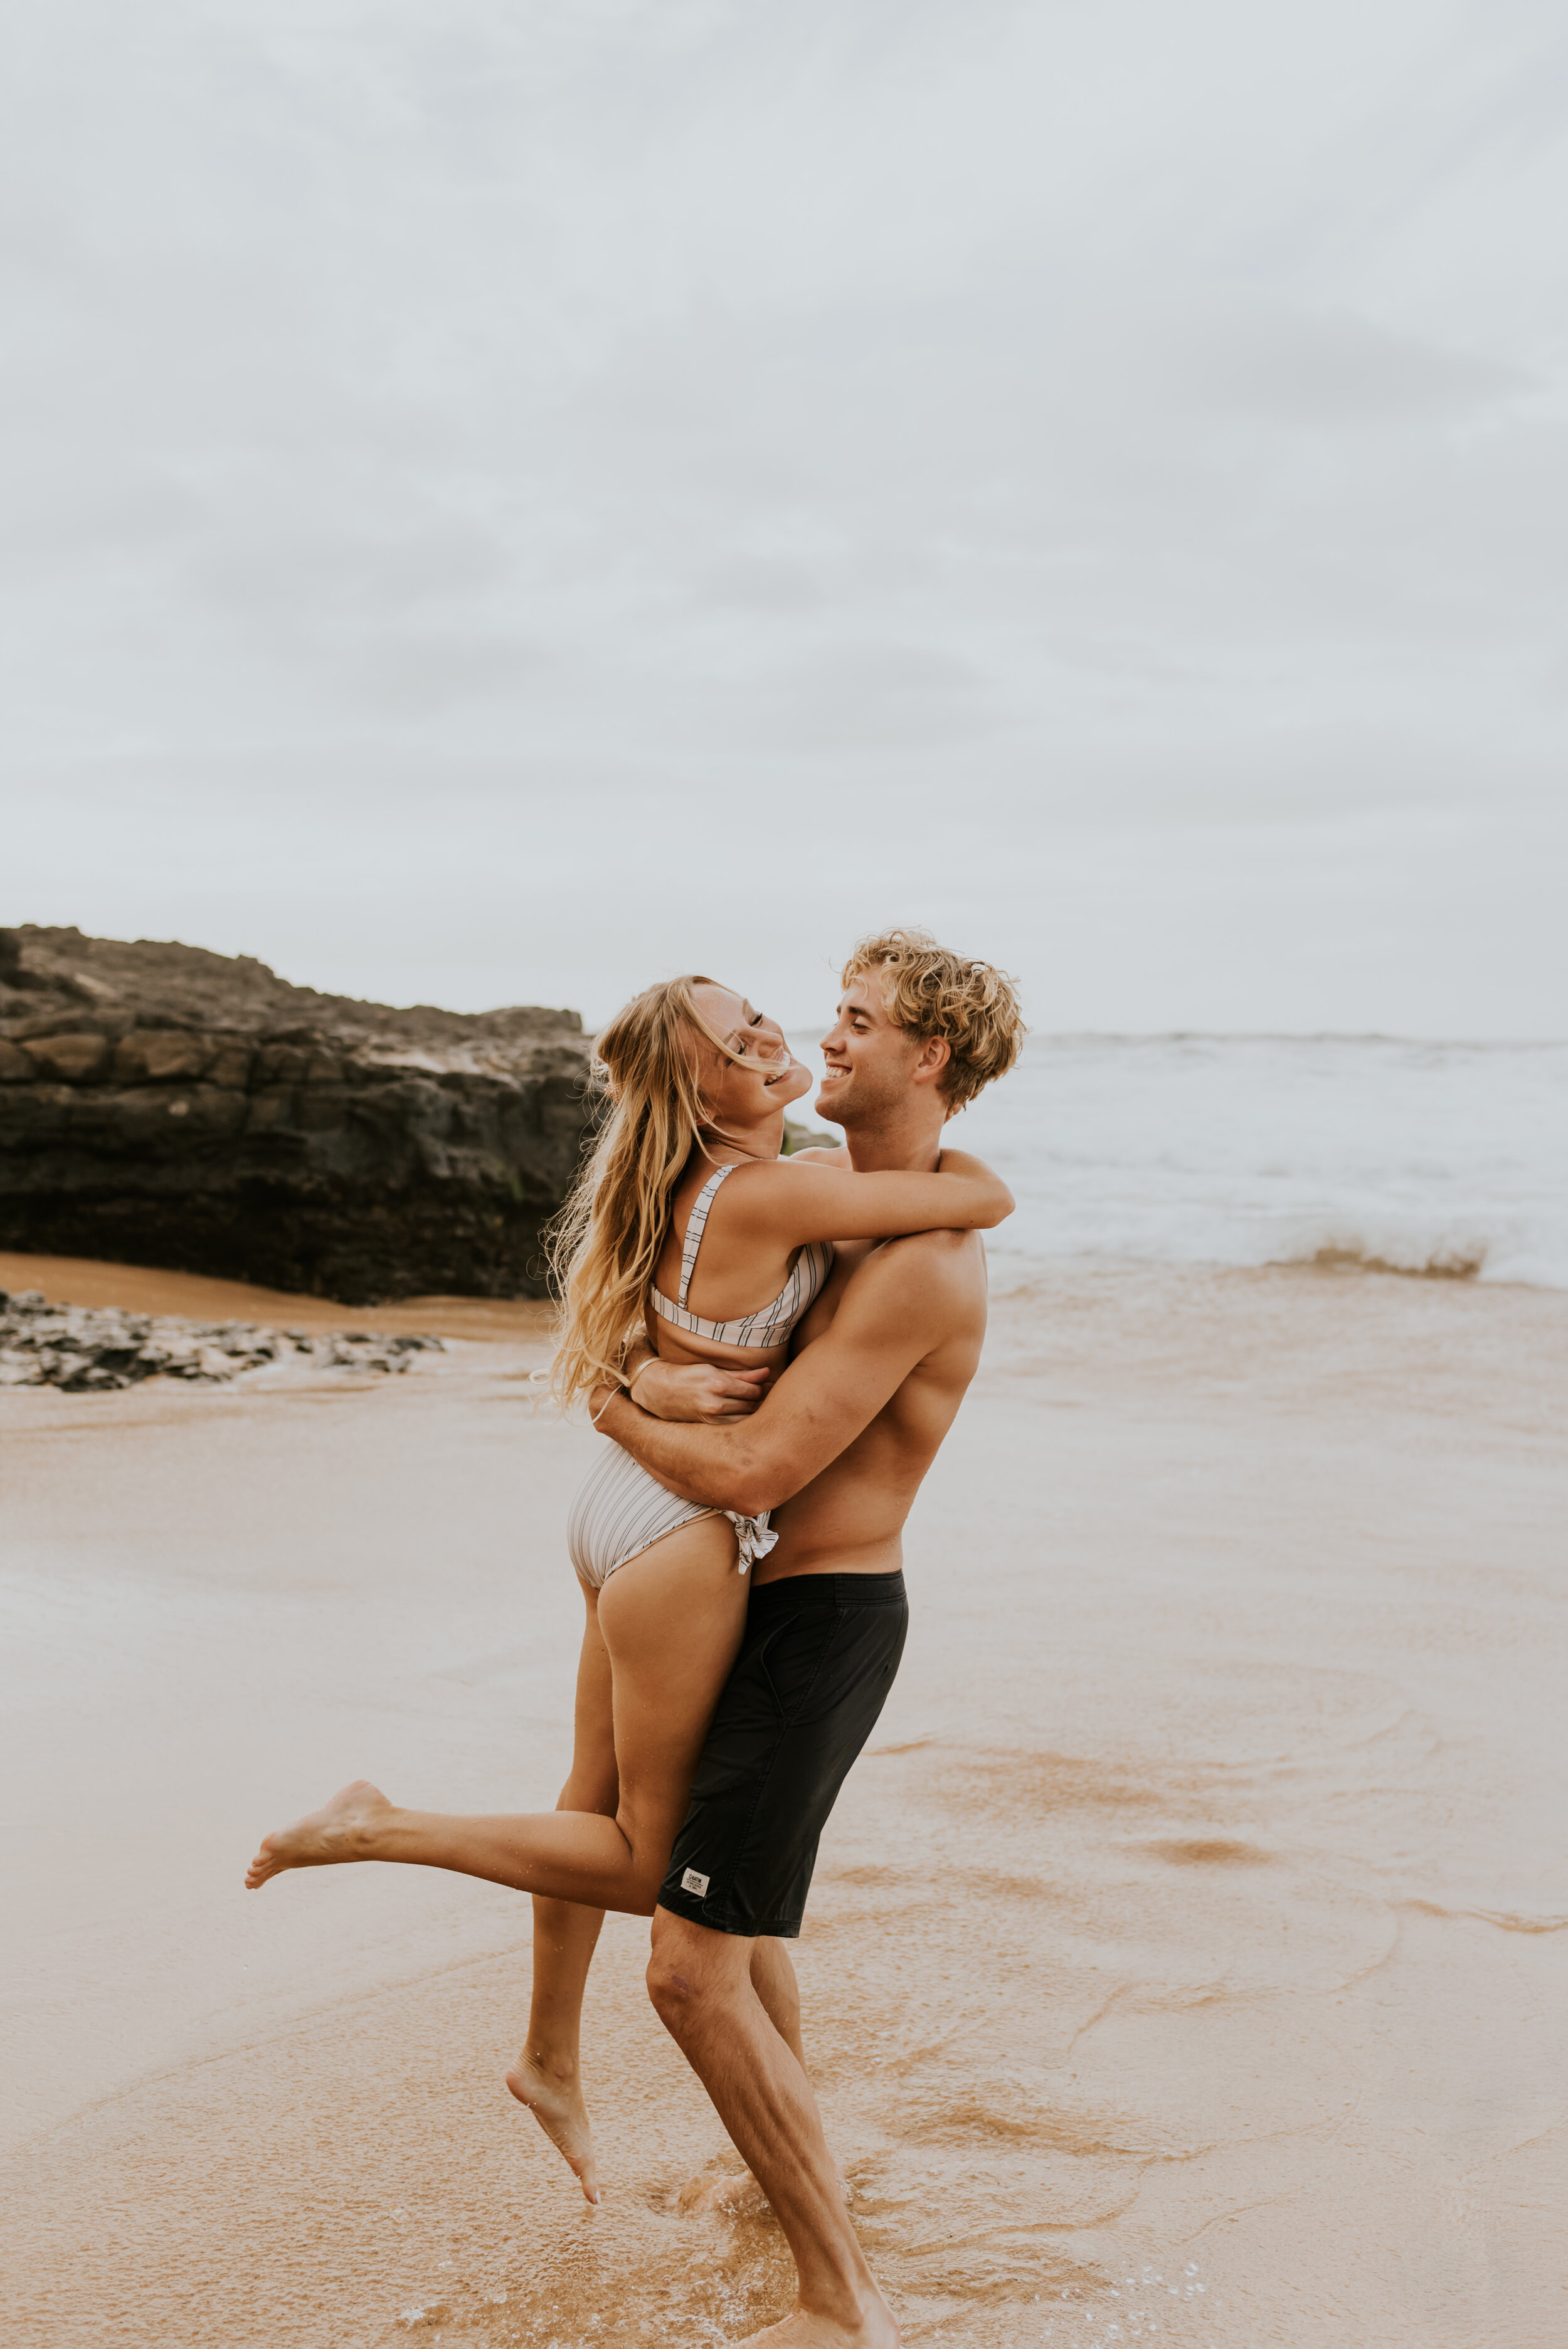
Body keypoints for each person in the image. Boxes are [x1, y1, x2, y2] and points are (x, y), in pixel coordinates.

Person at [241, 956, 1015, 2210]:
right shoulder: (777, 1191)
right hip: (682, 1531)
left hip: (614, 1519)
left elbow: (651, 1330)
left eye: (825, 1019)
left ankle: (554, 2057)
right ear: (699, 1088)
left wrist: (621, 1392)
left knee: (618, 1816)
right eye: (745, 1031)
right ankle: (380, 1826)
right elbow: (979, 1199)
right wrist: (634, 1408)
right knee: (655, 1858)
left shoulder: (713, 1184)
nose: (787, 1034)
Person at [578, 928, 1025, 2348]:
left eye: (854, 1018)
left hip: (819, 1622)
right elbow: (720, 1286)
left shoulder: (917, 1260)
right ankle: (800, 2193)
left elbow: (761, 1469)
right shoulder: (842, 1199)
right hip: (756, 1607)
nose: (825, 1038)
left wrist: (615, 1408)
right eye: (824, 1013)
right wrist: (650, 1355)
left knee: (685, 1969)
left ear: (926, 1054)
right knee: (750, 1938)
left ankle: (841, 2300)